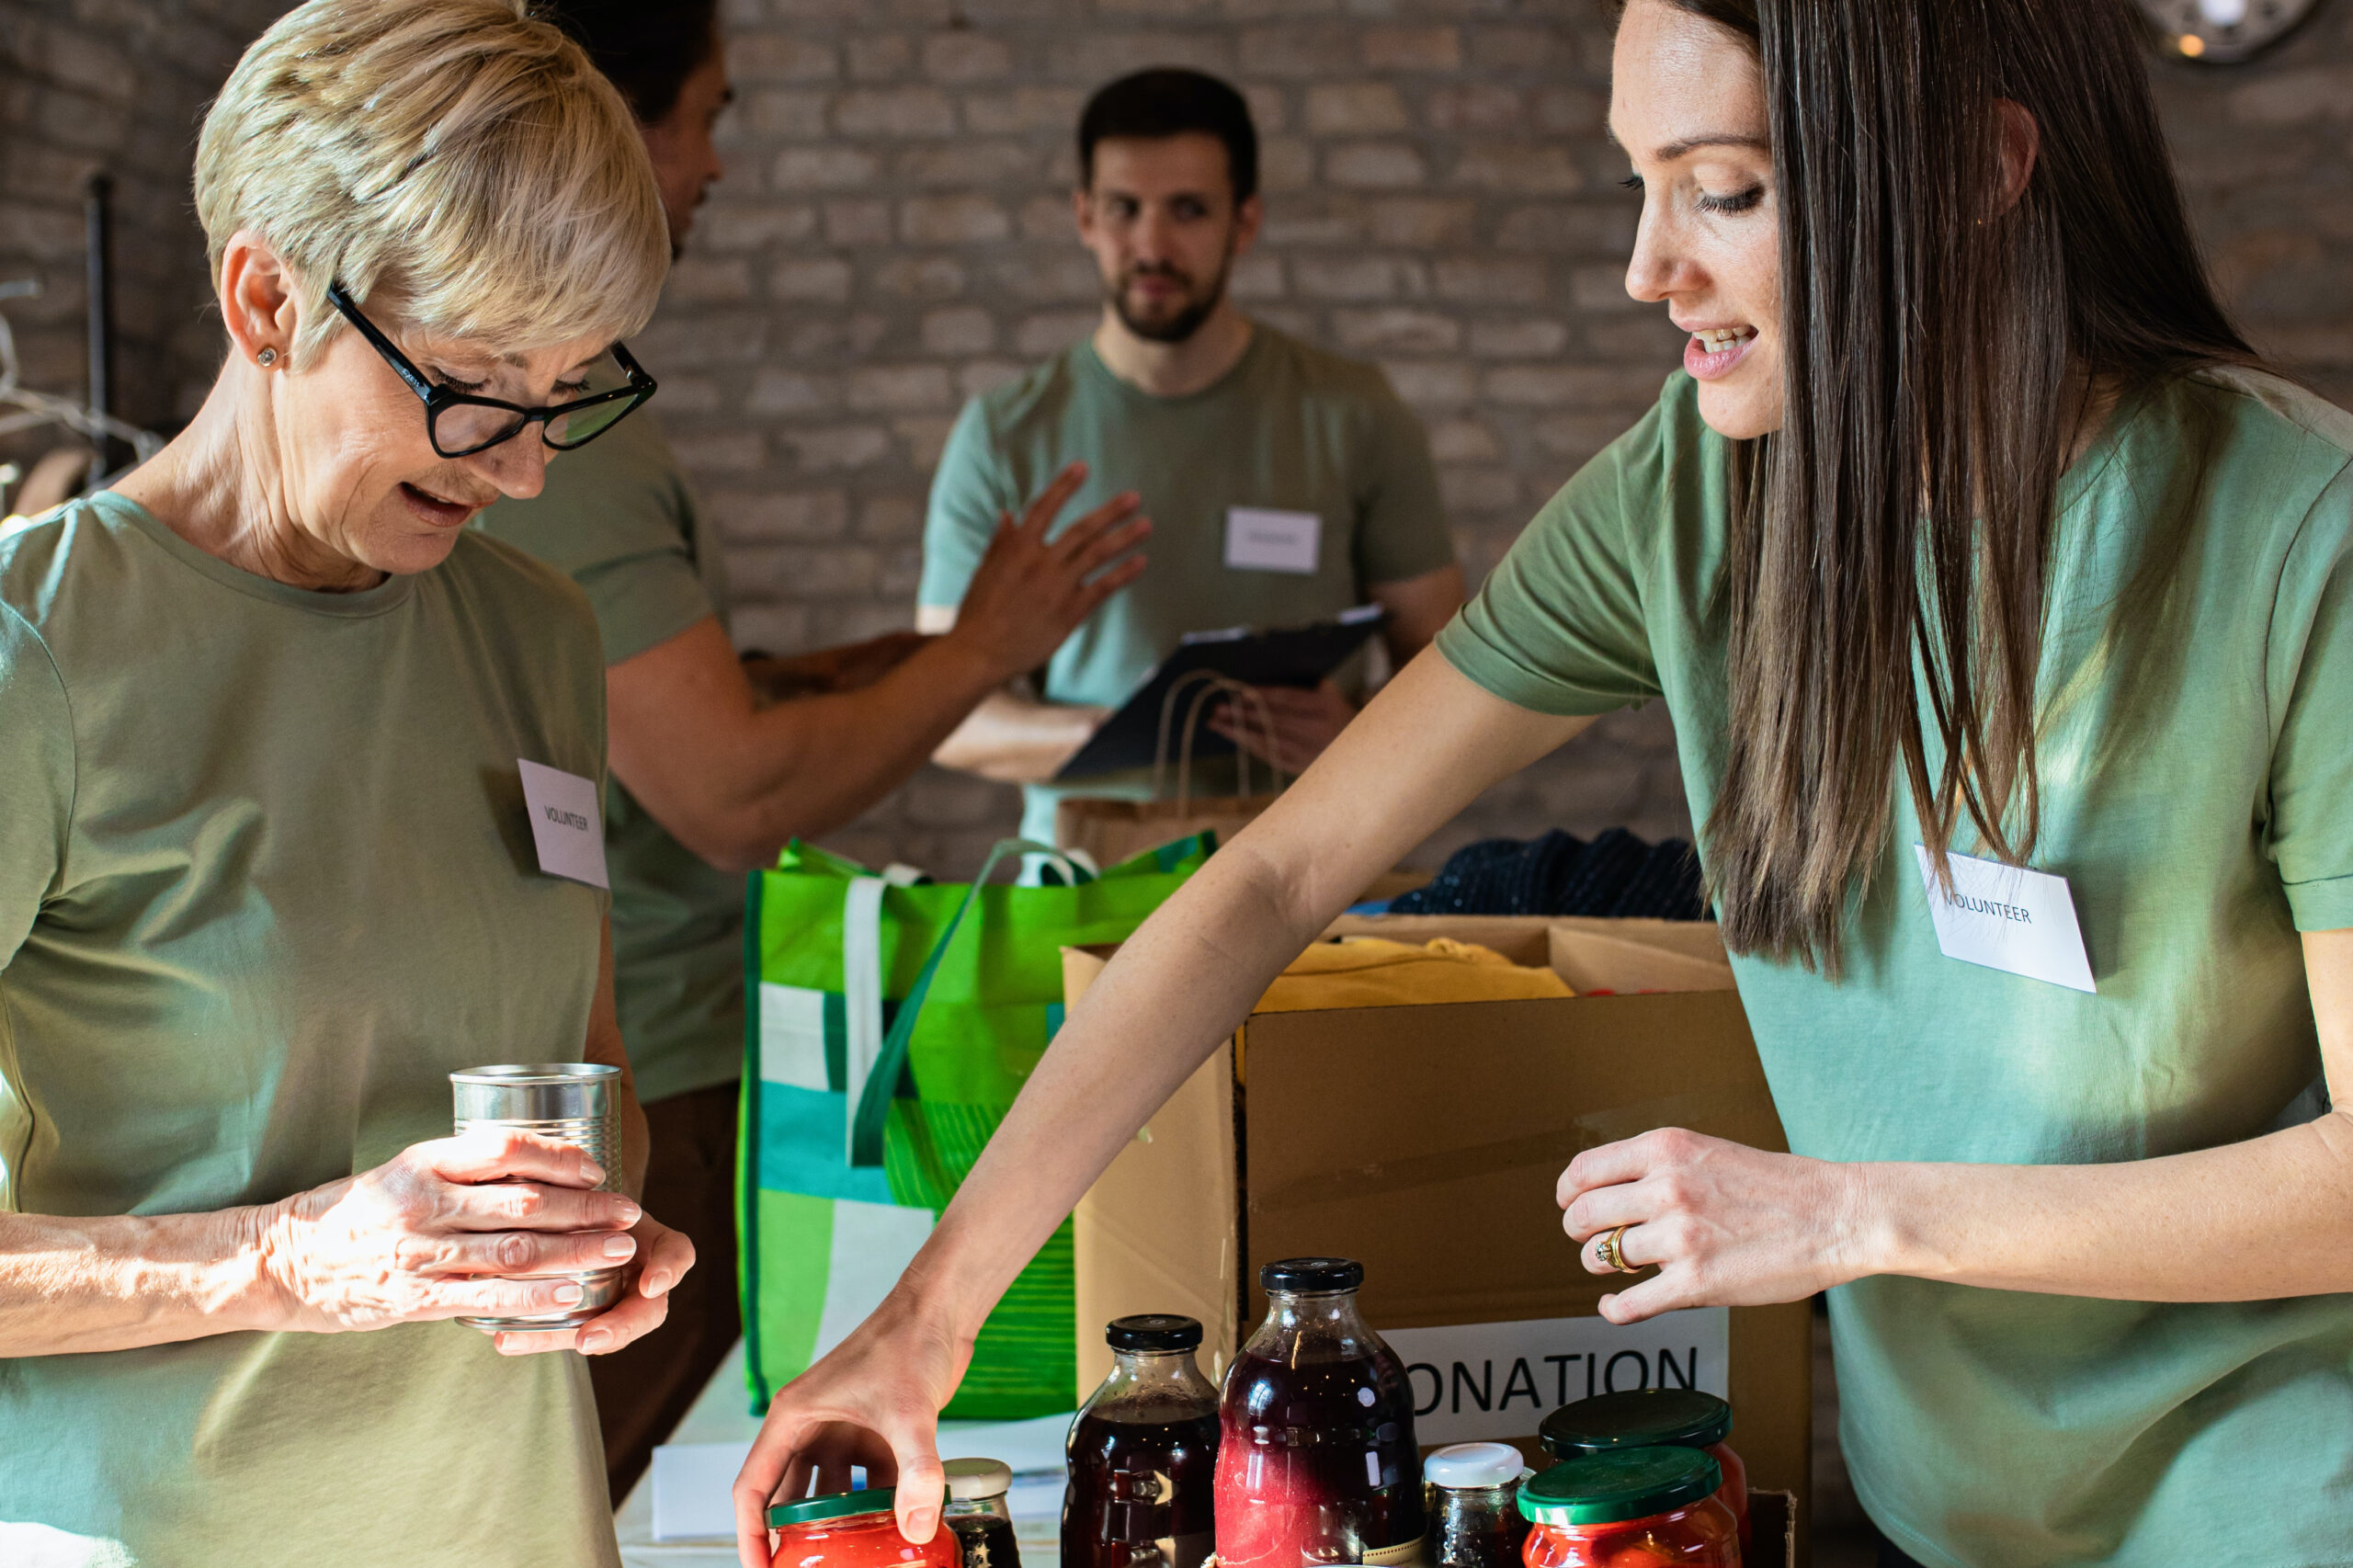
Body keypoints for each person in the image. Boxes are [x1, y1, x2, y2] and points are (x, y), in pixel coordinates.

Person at [733, 3, 2353, 1566]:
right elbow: (1273, 883)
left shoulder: (2299, 536)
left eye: (1722, 190)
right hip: (1943, 1511)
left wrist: (1852, 1216)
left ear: (1977, 173)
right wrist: (916, 1326)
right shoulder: (1690, 494)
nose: (1648, 268)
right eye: (1636, 186)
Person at [0, 3, 699, 1562]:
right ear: (265, 299)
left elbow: (590, 1064)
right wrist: (289, 1257)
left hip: (513, 1524)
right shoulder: (33, 656)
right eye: (473, 388)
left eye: (567, 387)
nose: (524, 470)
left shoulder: (535, 633)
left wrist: (598, 1223)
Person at [474, 2, 1151, 1499]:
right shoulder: (566, 423)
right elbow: (734, 793)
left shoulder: (584, 414)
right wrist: (975, 654)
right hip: (659, 1063)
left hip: (666, 1042)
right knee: (635, 1483)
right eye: (705, 115)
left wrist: (905, 654)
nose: (716, 162)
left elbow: (677, 701)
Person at [918, 68, 1465, 845]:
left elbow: (1449, 677)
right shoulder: (1003, 434)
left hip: (1318, 871)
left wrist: (1360, 737)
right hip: (1086, 880)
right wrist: (1137, 732)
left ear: (1244, 223)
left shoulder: (1357, 414)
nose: (1150, 245)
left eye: (1187, 211)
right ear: (1083, 216)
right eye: (1123, 210)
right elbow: (945, 718)